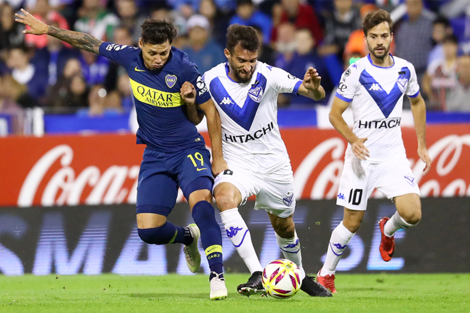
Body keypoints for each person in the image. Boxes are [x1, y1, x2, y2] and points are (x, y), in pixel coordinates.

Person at [16, 9, 228, 300]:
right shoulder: (128, 56)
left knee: (202, 204)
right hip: (155, 154)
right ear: (140, 44)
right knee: (149, 230)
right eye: (153, 52)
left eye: (164, 52)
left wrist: (217, 157)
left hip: (187, 149)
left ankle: (217, 275)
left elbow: (209, 113)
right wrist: (49, 30)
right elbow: (88, 41)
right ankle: (188, 237)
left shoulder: (185, 67)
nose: (158, 59)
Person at [190, 24, 332, 297]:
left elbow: (312, 92)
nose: (248, 67)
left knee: (284, 226)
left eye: (252, 60)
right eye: (242, 61)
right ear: (227, 54)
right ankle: (257, 271)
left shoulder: (269, 74)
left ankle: (300, 275)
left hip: (273, 163)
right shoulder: (209, 80)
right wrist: (217, 156)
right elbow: (198, 117)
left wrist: (315, 90)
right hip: (236, 163)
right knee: (223, 198)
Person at [316, 9, 432, 294]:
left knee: (413, 213)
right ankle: (325, 274)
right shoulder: (355, 71)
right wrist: (353, 139)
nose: (379, 41)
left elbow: (417, 103)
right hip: (361, 158)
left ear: (392, 37)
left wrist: (422, 144)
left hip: (393, 156)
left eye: (384, 36)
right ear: (365, 39)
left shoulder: (406, 69)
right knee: (352, 222)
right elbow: (335, 114)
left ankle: (387, 229)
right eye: (373, 37)